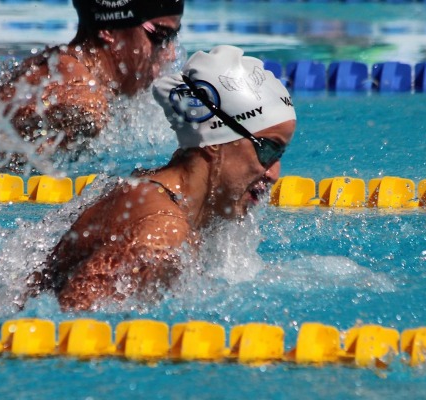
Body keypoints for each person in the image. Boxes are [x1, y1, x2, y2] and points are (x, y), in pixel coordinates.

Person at [27, 45, 296, 311]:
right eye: (267, 149)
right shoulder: (162, 230)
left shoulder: (164, 198)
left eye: (281, 154)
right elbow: (69, 325)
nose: (273, 173)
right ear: (216, 141)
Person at [0, 0, 185, 154]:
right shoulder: (85, 105)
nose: (171, 53)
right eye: (161, 35)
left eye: (174, 37)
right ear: (109, 29)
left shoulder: (56, 63)